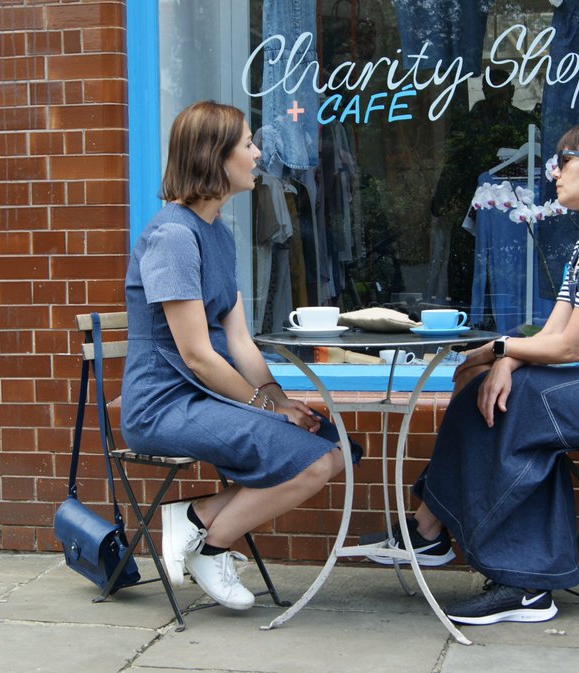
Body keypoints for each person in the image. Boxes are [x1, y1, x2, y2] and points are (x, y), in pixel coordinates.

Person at [367, 118, 579, 626]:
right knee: (488, 390)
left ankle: (479, 557)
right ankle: (465, 548)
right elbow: (551, 333)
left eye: (564, 161)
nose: (553, 172)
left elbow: (573, 346)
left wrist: (499, 350)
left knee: (514, 401)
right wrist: (504, 359)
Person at [120, 101, 346, 611]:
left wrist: (280, 400)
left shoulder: (219, 234)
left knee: (333, 451)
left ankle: (196, 516)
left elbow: (239, 340)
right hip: (163, 406)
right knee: (311, 462)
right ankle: (213, 546)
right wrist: (268, 410)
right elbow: (198, 356)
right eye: (247, 144)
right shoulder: (173, 237)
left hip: (208, 399)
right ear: (214, 157)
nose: (258, 153)